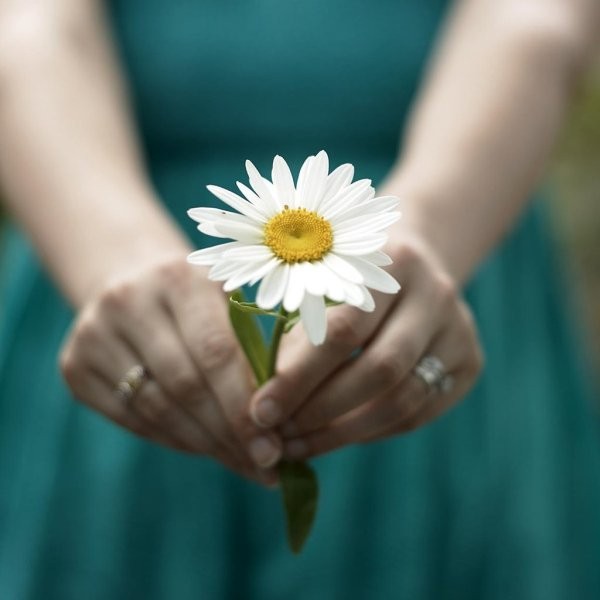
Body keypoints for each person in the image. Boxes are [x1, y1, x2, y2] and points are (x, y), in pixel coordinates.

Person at [0, 0, 599, 598]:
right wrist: (111, 253)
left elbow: (533, 20)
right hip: (106, 248)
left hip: (440, 244)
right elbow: (27, 25)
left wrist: (430, 228)